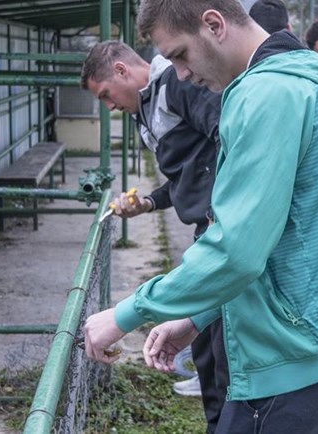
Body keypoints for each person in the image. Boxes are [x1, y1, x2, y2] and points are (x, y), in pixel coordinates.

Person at [83, 1, 318, 432]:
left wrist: (125, 314)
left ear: (214, 25)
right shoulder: (302, 79)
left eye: (181, 55)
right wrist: (198, 316)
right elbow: (284, 235)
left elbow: (236, 251)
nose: (181, 74)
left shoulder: (263, 95)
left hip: (292, 358)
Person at [80, 40, 228, 432]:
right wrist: (148, 202)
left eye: (107, 95)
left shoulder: (179, 84)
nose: (109, 107)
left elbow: (229, 140)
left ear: (123, 71)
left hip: (225, 232)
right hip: (208, 231)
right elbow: (186, 175)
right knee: (208, 349)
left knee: (225, 350)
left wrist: (224, 215)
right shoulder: (144, 109)